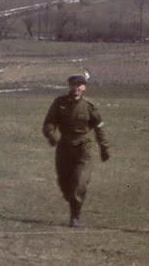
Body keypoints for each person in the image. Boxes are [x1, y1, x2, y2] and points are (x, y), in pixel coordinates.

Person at [42, 73, 110, 227]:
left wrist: (104, 148)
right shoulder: (59, 103)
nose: (76, 88)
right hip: (64, 147)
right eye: (73, 85)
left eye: (79, 85)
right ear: (69, 86)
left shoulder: (89, 106)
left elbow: (99, 127)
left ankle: (75, 215)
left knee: (79, 183)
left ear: (83, 87)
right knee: (64, 184)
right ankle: (72, 202)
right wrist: (51, 134)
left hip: (84, 148)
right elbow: (49, 122)